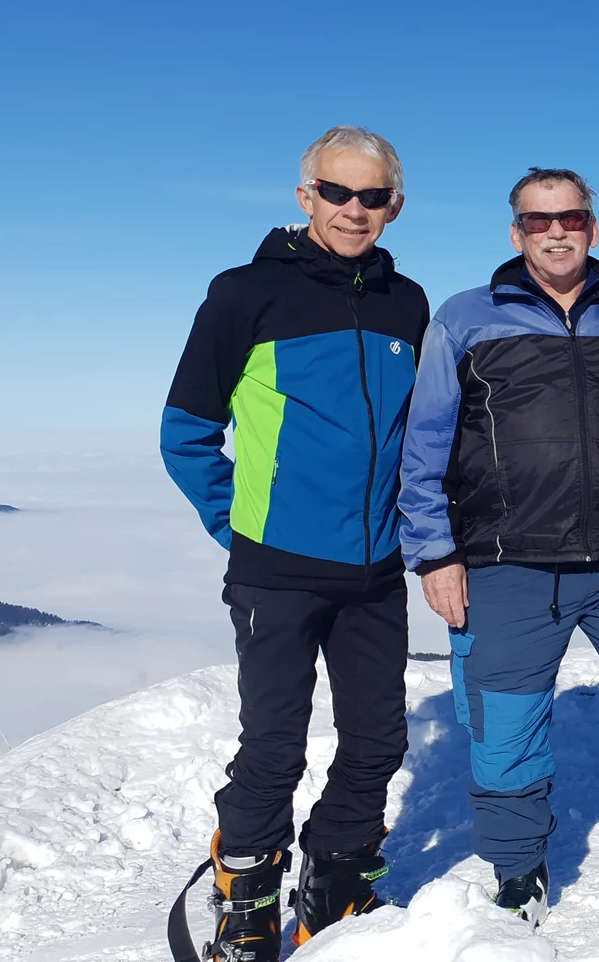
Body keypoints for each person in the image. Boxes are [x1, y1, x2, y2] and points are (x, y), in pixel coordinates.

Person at [399, 167, 599, 943]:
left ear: (592, 227)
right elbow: (426, 441)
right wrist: (434, 553)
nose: (556, 230)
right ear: (516, 232)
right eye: (538, 219)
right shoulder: (466, 318)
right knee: (506, 731)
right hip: (506, 564)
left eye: (571, 217)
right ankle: (518, 878)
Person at [160, 125, 429, 961]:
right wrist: (240, 529)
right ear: (305, 193)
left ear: (395, 205)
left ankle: (338, 878)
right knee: (273, 745)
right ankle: (245, 903)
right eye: (338, 192)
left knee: (378, 740)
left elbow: (419, 435)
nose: (355, 210)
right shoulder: (244, 294)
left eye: (373, 196)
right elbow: (185, 432)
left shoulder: (406, 303)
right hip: (276, 571)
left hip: (377, 571)